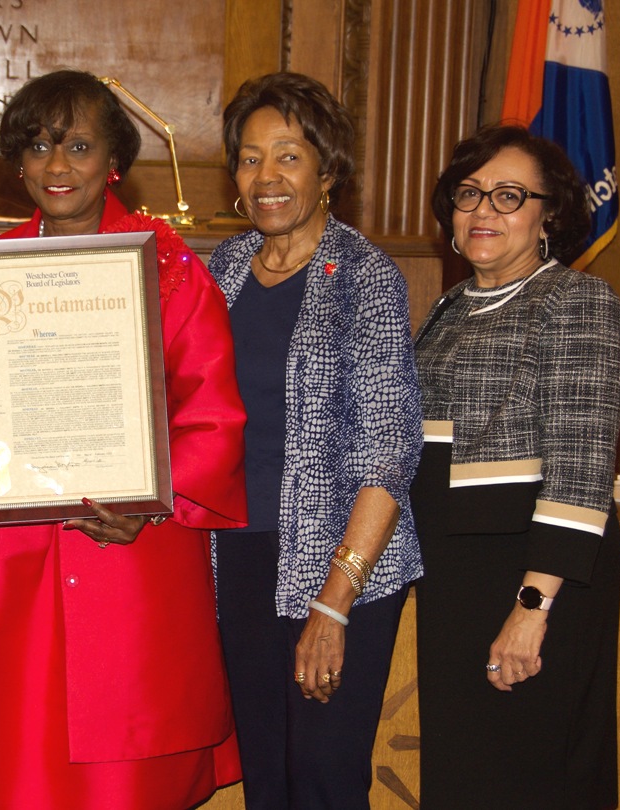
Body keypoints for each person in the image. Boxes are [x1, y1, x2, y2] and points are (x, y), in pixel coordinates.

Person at [0, 69, 248, 809]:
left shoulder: (172, 271)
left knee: (121, 773)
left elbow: (214, 418)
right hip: (9, 558)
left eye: (78, 146)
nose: (57, 166)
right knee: (3, 755)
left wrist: (153, 503)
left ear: (114, 161)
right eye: (37, 146)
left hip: (126, 549)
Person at [208, 72, 423, 809]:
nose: (265, 176)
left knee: (325, 781)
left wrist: (334, 605)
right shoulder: (222, 269)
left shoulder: (366, 277)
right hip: (239, 551)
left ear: (328, 171)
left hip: (341, 563)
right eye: (248, 157)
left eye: (288, 156)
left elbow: (388, 453)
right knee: (266, 778)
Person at [412, 125, 620, 808]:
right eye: (469, 193)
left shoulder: (576, 301)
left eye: (509, 196)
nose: (483, 211)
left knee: (533, 774)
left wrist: (532, 607)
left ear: (549, 215)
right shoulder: (450, 306)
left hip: (536, 573)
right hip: (457, 576)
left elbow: (582, 464)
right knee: (466, 773)